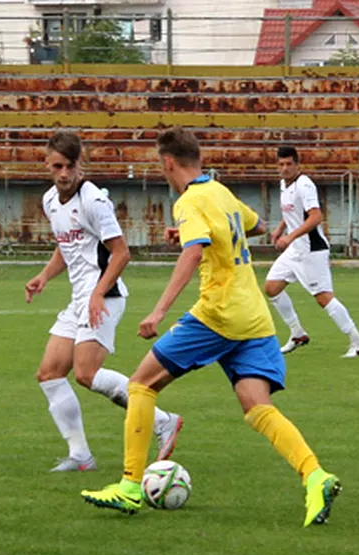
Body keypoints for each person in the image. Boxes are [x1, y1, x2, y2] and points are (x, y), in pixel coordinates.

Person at [80, 127, 341, 527]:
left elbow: (194, 252)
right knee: (257, 407)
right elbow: (251, 225)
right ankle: (315, 476)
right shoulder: (219, 192)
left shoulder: (190, 201)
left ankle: (131, 487)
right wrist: (199, 234)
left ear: (167, 163)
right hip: (254, 317)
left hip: (218, 314)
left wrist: (159, 311)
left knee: (140, 385)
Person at [25, 130, 183, 472]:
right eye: (57, 167)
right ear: (47, 165)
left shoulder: (94, 200)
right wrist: (43, 276)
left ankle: (162, 421)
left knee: (86, 373)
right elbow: (66, 247)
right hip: (80, 298)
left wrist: (97, 293)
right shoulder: (51, 200)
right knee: (49, 373)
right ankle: (81, 456)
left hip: (105, 297)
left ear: (81, 164)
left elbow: (121, 253)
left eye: (69, 166)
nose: (64, 174)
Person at [264, 146, 359, 358]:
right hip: (295, 249)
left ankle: (358, 343)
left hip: (311, 249)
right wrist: (280, 229)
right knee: (271, 287)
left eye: (288, 164)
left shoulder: (305, 184)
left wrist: (290, 236)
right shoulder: (284, 184)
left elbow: (315, 216)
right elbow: (294, 211)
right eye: (281, 164)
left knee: (323, 298)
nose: (284, 168)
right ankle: (297, 334)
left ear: (297, 164)